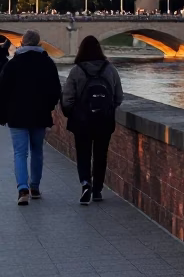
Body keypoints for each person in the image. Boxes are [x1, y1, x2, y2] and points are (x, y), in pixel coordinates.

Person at [0, 30, 62, 205]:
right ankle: (35, 186)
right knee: (37, 151)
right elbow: (55, 90)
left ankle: (22, 188)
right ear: (39, 44)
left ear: (21, 43)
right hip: (40, 114)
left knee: (20, 153)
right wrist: (48, 107)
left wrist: (3, 114)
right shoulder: (48, 63)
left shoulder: (12, 65)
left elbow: (2, 92)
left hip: (16, 115)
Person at [61, 36, 123, 206]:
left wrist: (71, 113)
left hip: (82, 120)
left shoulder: (76, 71)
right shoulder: (110, 70)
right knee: (101, 154)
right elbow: (119, 96)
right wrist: (108, 109)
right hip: (104, 120)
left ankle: (85, 183)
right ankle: (97, 189)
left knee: (83, 153)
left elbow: (67, 98)